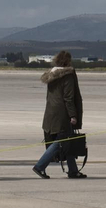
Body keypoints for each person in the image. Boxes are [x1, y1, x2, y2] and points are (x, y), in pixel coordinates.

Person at [31, 50, 86, 179]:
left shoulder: (52, 75)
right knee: (61, 141)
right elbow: (68, 98)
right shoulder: (67, 75)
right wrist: (73, 115)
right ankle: (40, 166)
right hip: (63, 114)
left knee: (68, 140)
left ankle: (73, 170)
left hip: (51, 112)